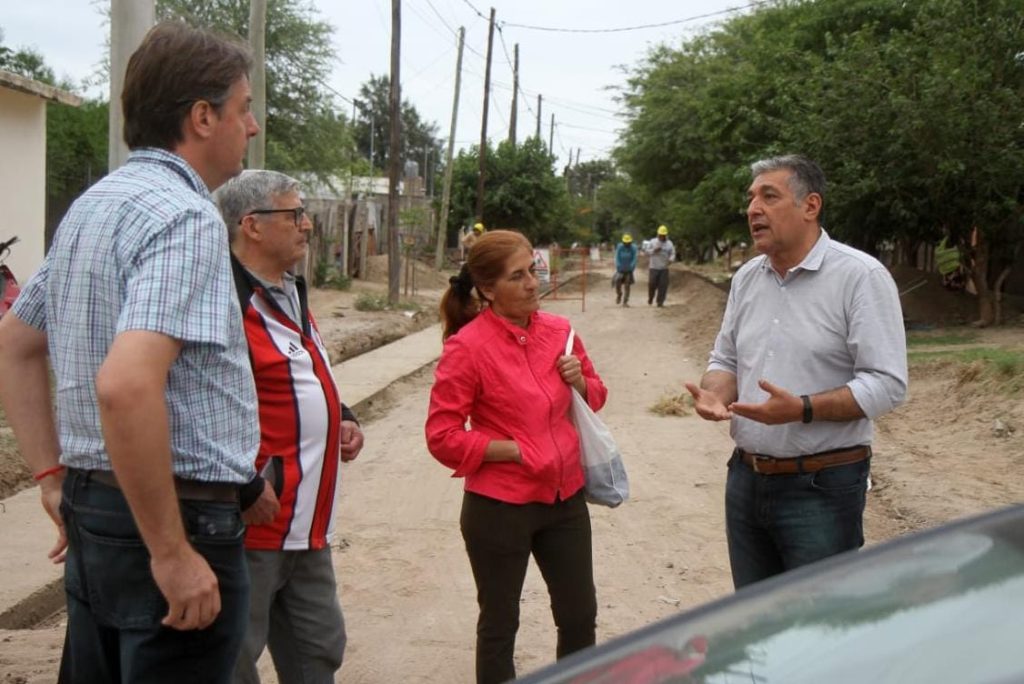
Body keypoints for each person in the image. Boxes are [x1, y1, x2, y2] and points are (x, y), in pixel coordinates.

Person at [0, 22, 261, 683]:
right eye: (244, 107)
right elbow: (126, 385)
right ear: (203, 117)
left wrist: (52, 479)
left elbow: (15, 344)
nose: (251, 126)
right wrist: (171, 552)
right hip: (173, 514)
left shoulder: (96, 205)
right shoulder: (185, 215)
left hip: (97, 509)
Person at [684, 154, 908, 589]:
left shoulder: (860, 277)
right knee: (758, 626)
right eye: (751, 199)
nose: (753, 209)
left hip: (823, 486)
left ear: (811, 206)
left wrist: (802, 409)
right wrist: (715, 393)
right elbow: (726, 358)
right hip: (746, 480)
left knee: (820, 631)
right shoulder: (748, 277)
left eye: (770, 196)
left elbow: (887, 385)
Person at [425, 230, 609, 684]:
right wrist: (511, 451)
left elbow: (598, 395)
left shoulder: (561, 333)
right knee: (500, 625)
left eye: (534, 270)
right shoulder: (467, 348)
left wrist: (580, 383)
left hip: (564, 501)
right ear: (487, 290)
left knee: (580, 615)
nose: (532, 283)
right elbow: (441, 435)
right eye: (517, 276)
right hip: (499, 509)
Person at [215, 170, 365, 684]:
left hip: (308, 522)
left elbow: (305, 371)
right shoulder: (225, 303)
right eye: (295, 214)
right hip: (255, 522)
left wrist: (341, 415)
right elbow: (195, 408)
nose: (307, 225)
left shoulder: (290, 291)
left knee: (319, 647)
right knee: (235, 658)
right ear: (251, 226)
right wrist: (243, 485)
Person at [644, 225, 675, 307]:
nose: (662, 237)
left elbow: (672, 253)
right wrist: (654, 250)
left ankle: (660, 302)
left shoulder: (669, 243)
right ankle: (651, 297)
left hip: (664, 268)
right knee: (652, 284)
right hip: (653, 267)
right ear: (658, 234)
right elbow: (646, 252)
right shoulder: (653, 242)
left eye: (663, 235)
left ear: (666, 235)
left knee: (663, 285)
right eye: (660, 235)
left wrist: (671, 260)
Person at [614, 233, 638, 306]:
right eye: (625, 243)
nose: (627, 244)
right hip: (620, 268)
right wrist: (618, 265)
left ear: (630, 242)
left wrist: (632, 266)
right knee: (617, 282)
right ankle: (619, 294)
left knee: (627, 285)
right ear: (623, 242)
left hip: (629, 269)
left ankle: (625, 301)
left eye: (628, 243)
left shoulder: (633, 248)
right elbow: (617, 256)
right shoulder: (620, 247)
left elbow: (634, 258)